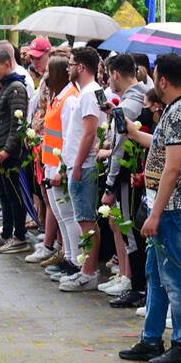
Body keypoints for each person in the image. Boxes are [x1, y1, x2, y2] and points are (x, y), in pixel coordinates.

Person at [118, 54, 181, 363]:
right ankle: (151, 337)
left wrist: (155, 213)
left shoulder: (179, 112)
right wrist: (133, 131)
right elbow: (162, 146)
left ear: (163, 80)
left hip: (173, 205)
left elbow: (172, 168)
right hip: (174, 203)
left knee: (175, 276)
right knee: (157, 275)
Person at [101, 54, 149, 306]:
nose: (109, 80)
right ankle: (138, 284)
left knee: (130, 228)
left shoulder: (129, 104)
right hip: (136, 173)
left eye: (109, 74)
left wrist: (109, 184)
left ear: (116, 73)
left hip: (128, 176)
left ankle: (138, 286)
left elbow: (119, 146)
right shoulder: (142, 95)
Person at [60, 47, 104, 292]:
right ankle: (87, 270)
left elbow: (90, 132)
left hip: (84, 165)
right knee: (85, 220)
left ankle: (88, 272)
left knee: (86, 221)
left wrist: (77, 165)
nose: (68, 68)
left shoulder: (89, 94)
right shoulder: (90, 92)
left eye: (71, 63)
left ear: (82, 67)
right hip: (81, 163)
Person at [0, 49, 31, 254]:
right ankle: (7, 232)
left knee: (13, 195)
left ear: (8, 64)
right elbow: (2, 119)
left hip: (8, 153)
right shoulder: (7, 87)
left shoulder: (16, 88)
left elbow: (18, 124)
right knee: (3, 193)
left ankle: (19, 236)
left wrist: (8, 149)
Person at [41, 57, 84, 282]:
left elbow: (69, 136)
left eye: (49, 70)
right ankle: (68, 256)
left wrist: (61, 167)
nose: (45, 75)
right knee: (60, 214)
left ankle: (75, 260)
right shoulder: (58, 97)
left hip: (59, 164)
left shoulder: (69, 99)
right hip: (51, 162)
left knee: (68, 215)